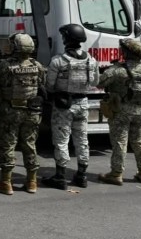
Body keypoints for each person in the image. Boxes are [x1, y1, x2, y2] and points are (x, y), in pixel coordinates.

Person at [42, 24, 99, 190]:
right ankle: (82, 176)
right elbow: (95, 82)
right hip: (83, 103)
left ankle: (60, 177)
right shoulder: (91, 60)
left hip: (63, 105)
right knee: (82, 139)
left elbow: (49, 85)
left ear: (66, 39)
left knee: (61, 140)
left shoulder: (58, 61)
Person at [0, 33, 46, 195]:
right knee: (30, 144)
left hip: (10, 111)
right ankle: (32, 182)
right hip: (32, 112)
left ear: (15, 47)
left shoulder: (5, 66)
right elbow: (42, 85)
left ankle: (6, 182)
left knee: (8, 144)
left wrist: (0, 101)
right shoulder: (38, 66)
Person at [98, 38, 141, 186]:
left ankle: (116, 174)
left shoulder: (118, 70)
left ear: (126, 53)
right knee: (139, 141)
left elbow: (100, 83)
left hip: (122, 110)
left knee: (120, 141)